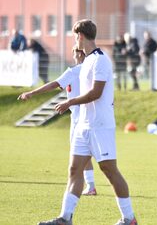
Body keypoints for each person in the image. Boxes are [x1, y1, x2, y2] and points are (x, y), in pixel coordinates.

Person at [38, 19, 138, 225]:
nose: (75, 40)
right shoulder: (86, 63)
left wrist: (70, 102)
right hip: (83, 126)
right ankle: (65, 218)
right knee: (74, 170)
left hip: (100, 126)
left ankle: (129, 218)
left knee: (110, 170)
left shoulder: (101, 60)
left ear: (81, 36)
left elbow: (96, 92)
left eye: (76, 36)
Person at [17, 45, 98, 196]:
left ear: (80, 54)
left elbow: (54, 84)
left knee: (79, 152)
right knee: (87, 152)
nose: (73, 55)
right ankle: (90, 186)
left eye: (74, 52)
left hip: (79, 116)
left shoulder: (74, 71)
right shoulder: (93, 70)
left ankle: (83, 186)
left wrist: (31, 93)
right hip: (92, 115)